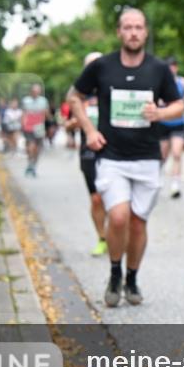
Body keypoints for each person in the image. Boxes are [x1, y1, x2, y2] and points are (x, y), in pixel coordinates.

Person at [68, 9, 183, 307]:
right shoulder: (102, 66)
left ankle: (132, 278)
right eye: (127, 27)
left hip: (147, 157)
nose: (133, 32)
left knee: (137, 222)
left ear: (145, 32)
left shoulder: (158, 69)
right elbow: (74, 97)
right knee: (118, 216)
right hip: (112, 157)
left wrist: (160, 113)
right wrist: (90, 130)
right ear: (119, 32)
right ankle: (114, 272)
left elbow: (179, 105)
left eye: (138, 27)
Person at [68, 52, 108, 258]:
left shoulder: (111, 87)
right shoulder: (78, 93)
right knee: (96, 199)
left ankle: (116, 232)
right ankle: (102, 238)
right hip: (88, 151)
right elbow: (66, 123)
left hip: (112, 149)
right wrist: (75, 123)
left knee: (114, 199)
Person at [158, 56, 184, 199]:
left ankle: (175, 185)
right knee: (163, 156)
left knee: (177, 154)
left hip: (178, 123)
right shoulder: (161, 82)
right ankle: (157, 180)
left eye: (174, 66)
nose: (172, 69)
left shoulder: (182, 82)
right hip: (164, 123)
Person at [21, 84, 49, 177]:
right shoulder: (26, 100)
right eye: (34, 91)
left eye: (38, 91)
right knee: (30, 145)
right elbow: (23, 113)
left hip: (39, 127)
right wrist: (23, 124)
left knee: (37, 148)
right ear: (31, 92)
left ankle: (33, 166)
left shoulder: (43, 101)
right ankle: (30, 163)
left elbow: (46, 114)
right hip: (28, 126)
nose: (36, 93)